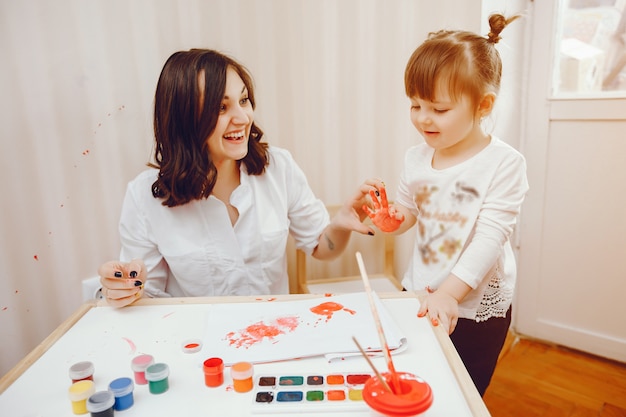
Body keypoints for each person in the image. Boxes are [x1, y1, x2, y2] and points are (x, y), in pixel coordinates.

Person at [99, 48, 378, 308]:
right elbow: (148, 296)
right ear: (184, 120)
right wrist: (124, 290)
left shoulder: (278, 168)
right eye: (221, 108)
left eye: (243, 100)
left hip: (274, 333)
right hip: (200, 349)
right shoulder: (144, 196)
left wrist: (340, 223)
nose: (243, 117)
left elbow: (321, 247)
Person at [364, 14, 529, 396]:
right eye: (415, 105)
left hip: (472, 310)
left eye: (438, 109)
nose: (423, 119)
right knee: (414, 383)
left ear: (483, 105)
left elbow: (489, 239)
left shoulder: (503, 164)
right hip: (421, 292)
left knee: (459, 392)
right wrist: (391, 219)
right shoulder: (417, 158)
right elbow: (408, 210)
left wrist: (449, 295)